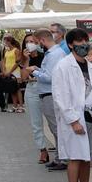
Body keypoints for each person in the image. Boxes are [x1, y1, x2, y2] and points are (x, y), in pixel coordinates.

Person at [53, 28, 92, 182]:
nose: (84, 45)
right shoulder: (63, 66)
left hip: (91, 116)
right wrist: (73, 120)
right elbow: (60, 96)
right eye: (79, 42)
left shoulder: (89, 65)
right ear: (70, 45)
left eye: (86, 41)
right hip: (75, 119)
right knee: (75, 157)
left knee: (86, 157)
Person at [30, 24, 70, 170]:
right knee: (55, 128)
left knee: (56, 127)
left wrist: (33, 71)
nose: (34, 45)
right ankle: (60, 157)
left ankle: (63, 159)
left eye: (35, 42)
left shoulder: (55, 54)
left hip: (50, 93)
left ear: (41, 41)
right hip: (47, 93)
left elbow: (50, 77)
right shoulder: (53, 53)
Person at [21, 35, 50, 163]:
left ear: (38, 42)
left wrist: (37, 72)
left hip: (47, 89)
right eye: (27, 42)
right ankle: (42, 150)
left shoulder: (46, 56)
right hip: (32, 89)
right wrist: (26, 60)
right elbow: (23, 78)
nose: (29, 44)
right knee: (36, 123)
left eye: (32, 41)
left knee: (53, 121)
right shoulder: (24, 58)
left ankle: (62, 151)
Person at [0, 36, 24, 112]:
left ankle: (21, 106)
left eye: (5, 41)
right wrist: (4, 71)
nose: (5, 43)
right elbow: (4, 61)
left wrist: (10, 72)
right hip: (7, 72)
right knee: (12, 89)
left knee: (17, 89)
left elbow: (17, 62)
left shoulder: (16, 50)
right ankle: (14, 106)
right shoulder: (6, 51)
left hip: (15, 71)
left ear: (9, 41)